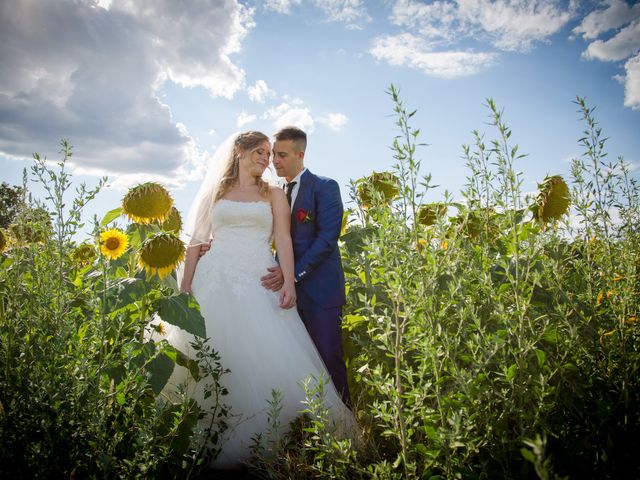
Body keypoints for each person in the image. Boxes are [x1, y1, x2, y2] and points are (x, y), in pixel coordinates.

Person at [167, 131, 353, 468]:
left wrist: (290, 282)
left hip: (259, 277)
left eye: (270, 154)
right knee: (210, 347)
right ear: (239, 150)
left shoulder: (273, 194)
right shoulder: (217, 191)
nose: (266, 159)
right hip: (215, 276)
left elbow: (283, 238)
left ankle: (280, 431)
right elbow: (196, 240)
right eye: (261, 152)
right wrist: (186, 286)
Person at [260, 126, 351, 407]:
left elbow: (326, 239)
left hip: (320, 292)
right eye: (274, 154)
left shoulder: (325, 186)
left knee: (328, 357)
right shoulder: (272, 194)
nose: (275, 161)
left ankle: (347, 427)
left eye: (282, 155)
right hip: (283, 294)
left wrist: (292, 274)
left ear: (301, 154)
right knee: (293, 361)